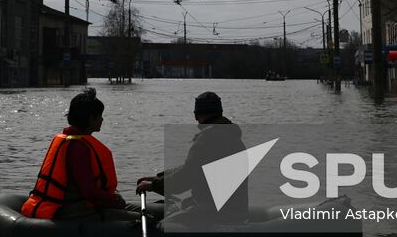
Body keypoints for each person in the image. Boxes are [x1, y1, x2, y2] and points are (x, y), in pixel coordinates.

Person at [22, 87, 139, 221]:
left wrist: (113, 197)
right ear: (90, 119)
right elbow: (88, 191)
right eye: (99, 115)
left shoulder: (73, 140)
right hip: (69, 210)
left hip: (78, 205)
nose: (102, 119)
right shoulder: (78, 147)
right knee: (143, 220)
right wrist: (114, 200)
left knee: (142, 213)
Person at [136, 91, 249, 222]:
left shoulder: (208, 139)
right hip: (231, 208)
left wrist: (153, 185)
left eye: (196, 114)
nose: (196, 120)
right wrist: (159, 177)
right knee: (172, 208)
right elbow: (192, 168)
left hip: (215, 212)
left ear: (199, 114)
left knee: (162, 226)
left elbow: (186, 178)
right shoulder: (233, 137)